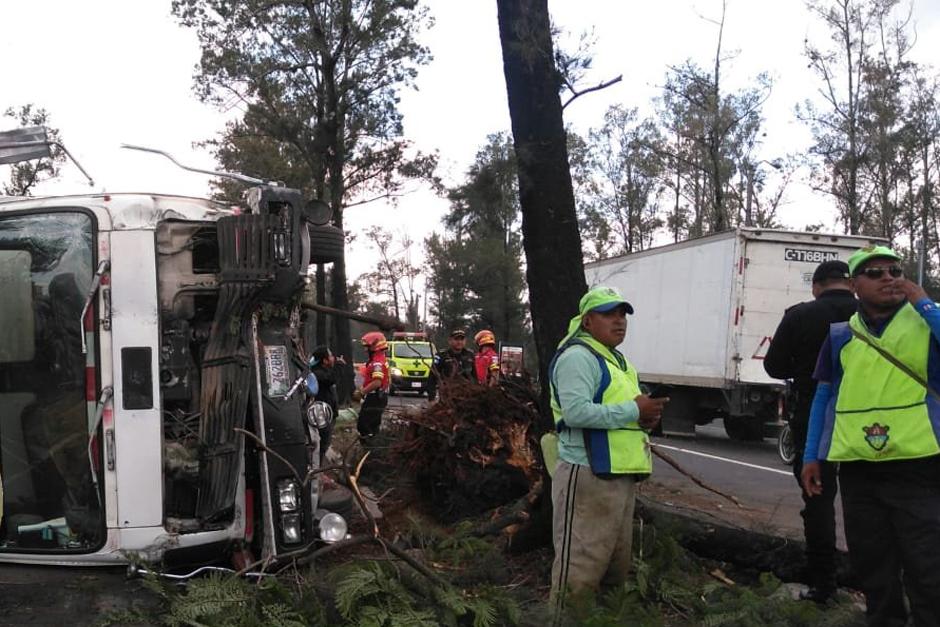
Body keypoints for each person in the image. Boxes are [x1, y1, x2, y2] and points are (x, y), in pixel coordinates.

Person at [801, 245, 940, 626]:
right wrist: (812, 455)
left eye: (895, 270)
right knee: (873, 568)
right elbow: (825, 396)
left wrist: (926, 304)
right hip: (860, 470)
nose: (889, 278)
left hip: (920, 468)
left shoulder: (926, 321)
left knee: (928, 568)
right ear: (854, 285)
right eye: (875, 273)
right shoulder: (841, 335)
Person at [548, 285, 668, 609]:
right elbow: (575, 412)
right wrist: (634, 411)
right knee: (578, 573)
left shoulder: (618, 361)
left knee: (613, 570)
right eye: (608, 314)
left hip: (619, 476)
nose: (619, 321)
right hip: (587, 475)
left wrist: (646, 419)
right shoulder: (577, 357)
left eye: (622, 314)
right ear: (587, 321)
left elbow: (625, 409)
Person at [763, 259, 856, 603]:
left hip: (812, 410)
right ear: (850, 284)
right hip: (864, 416)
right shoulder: (869, 313)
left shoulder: (800, 315)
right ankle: (878, 583)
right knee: (867, 503)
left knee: (817, 499)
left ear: (817, 286)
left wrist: (802, 368)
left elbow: (773, 365)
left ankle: (823, 585)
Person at [309, 345, 341, 462]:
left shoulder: (325, 371)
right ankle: (317, 470)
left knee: (325, 443)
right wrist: (338, 366)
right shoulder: (317, 374)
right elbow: (331, 379)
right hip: (322, 414)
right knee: (322, 444)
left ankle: (319, 467)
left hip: (328, 413)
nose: (333, 358)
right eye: (331, 356)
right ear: (324, 360)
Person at [357, 331, 390, 439]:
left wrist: (362, 392)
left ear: (375, 346)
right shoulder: (379, 360)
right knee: (373, 425)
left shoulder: (377, 362)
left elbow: (377, 382)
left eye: (367, 347)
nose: (365, 350)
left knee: (364, 425)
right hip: (378, 397)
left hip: (375, 397)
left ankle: (369, 447)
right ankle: (373, 447)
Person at [429, 329, 476, 398]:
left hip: (467, 396)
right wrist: (431, 397)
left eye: (462, 339)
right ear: (450, 341)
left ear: (465, 341)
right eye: (456, 339)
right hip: (448, 395)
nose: (459, 342)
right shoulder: (441, 356)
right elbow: (432, 378)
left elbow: (474, 376)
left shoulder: (470, 355)